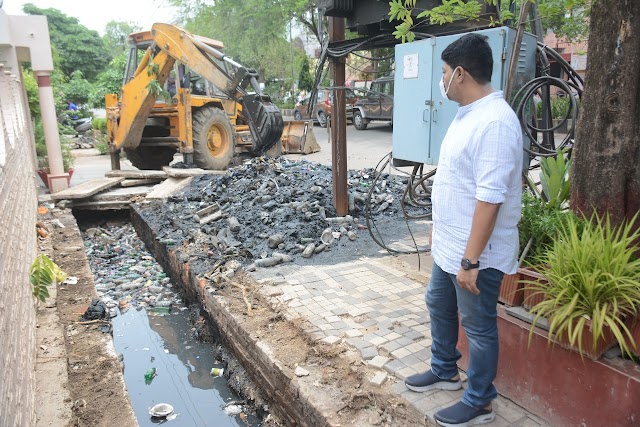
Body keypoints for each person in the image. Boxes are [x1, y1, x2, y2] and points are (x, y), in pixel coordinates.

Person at [404, 33, 522, 427]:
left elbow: (490, 199)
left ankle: (480, 401)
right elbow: (456, 181)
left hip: (476, 255)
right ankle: (444, 369)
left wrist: (470, 259)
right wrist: (440, 231)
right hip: (451, 245)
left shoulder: (496, 123)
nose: (441, 81)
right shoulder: (468, 112)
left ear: (460, 74)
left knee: (478, 325)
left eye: (443, 73)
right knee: (437, 303)